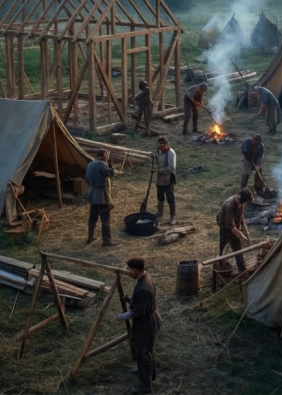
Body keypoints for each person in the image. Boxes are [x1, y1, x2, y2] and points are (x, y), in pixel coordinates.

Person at [117, 257, 160, 394]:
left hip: (145, 324)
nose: (128, 272)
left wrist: (122, 316)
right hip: (145, 320)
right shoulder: (144, 277)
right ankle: (147, 374)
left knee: (144, 353)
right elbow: (141, 302)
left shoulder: (144, 287)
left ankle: (146, 386)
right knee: (146, 350)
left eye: (129, 270)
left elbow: (138, 311)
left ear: (136, 270)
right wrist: (130, 299)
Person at [85, 149, 116, 247]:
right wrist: (110, 165)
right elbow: (110, 173)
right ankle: (107, 241)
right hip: (102, 196)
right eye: (106, 156)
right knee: (105, 219)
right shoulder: (103, 164)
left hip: (92, 195)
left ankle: (90, 237)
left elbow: (86, 179)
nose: (106, 157)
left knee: (93, 217)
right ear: (103, 156)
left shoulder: (90, 164)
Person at [217, 189, 252, 274]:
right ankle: (223, 269)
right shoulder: (230, 205)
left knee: (237, 249)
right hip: (225, 228)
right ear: (243, 199)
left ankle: (241, 269)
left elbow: (241, 218)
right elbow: (231, 226)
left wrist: (246, 232)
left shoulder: (240, 203)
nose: (246, 204)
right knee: (228, 249)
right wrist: (240, 235)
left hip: (233, 226)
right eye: (246, 202)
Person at [153, 137, 177, 225]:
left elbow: (171, 167)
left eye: (162, 146)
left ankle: (172, 217)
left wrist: (160, 170)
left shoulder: (171, 153)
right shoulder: (159, 151)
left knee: (170, 198)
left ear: (166, 145)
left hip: (168, 178)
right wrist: (156, 168)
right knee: (160, 196)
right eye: (159, 146)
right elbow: (159, 163)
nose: (160, 148)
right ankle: (160, 212)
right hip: (160, 178)